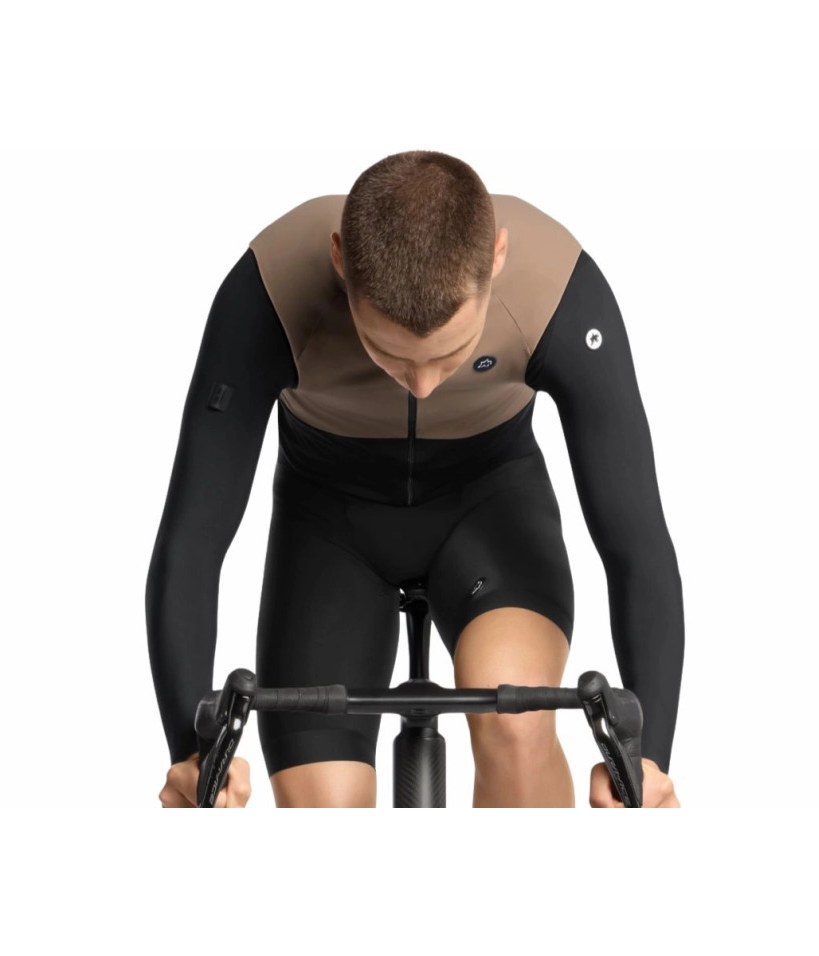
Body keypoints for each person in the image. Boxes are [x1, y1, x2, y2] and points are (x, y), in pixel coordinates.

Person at [146, 150, 684, 808]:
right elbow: (192, 541)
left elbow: (636, 543)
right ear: (340, 262)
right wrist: (193, 754)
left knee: (515, 724)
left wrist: (647, 761)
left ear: (497, 258)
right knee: (324, 809)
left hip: (490, 508)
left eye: (451, 355)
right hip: (330, 524)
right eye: (389, 353)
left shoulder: (557, 287)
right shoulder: (271, 290)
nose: (423, 384)